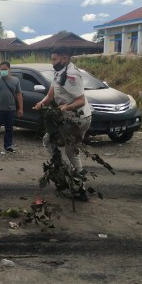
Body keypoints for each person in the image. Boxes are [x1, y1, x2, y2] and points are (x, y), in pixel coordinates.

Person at [33, 47, 92, 201]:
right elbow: (51, 92)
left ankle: (78, 187)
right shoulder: (59, 72)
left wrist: (66, 107)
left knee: (70, 151)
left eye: (55, 59)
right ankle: (65, 174)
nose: (52, 62)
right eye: (52, 59)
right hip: (66, 118)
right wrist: (42, 102)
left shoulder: (72, 75)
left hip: (76, 119)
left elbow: (81, 100)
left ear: (65, 58)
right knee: (51, 142)